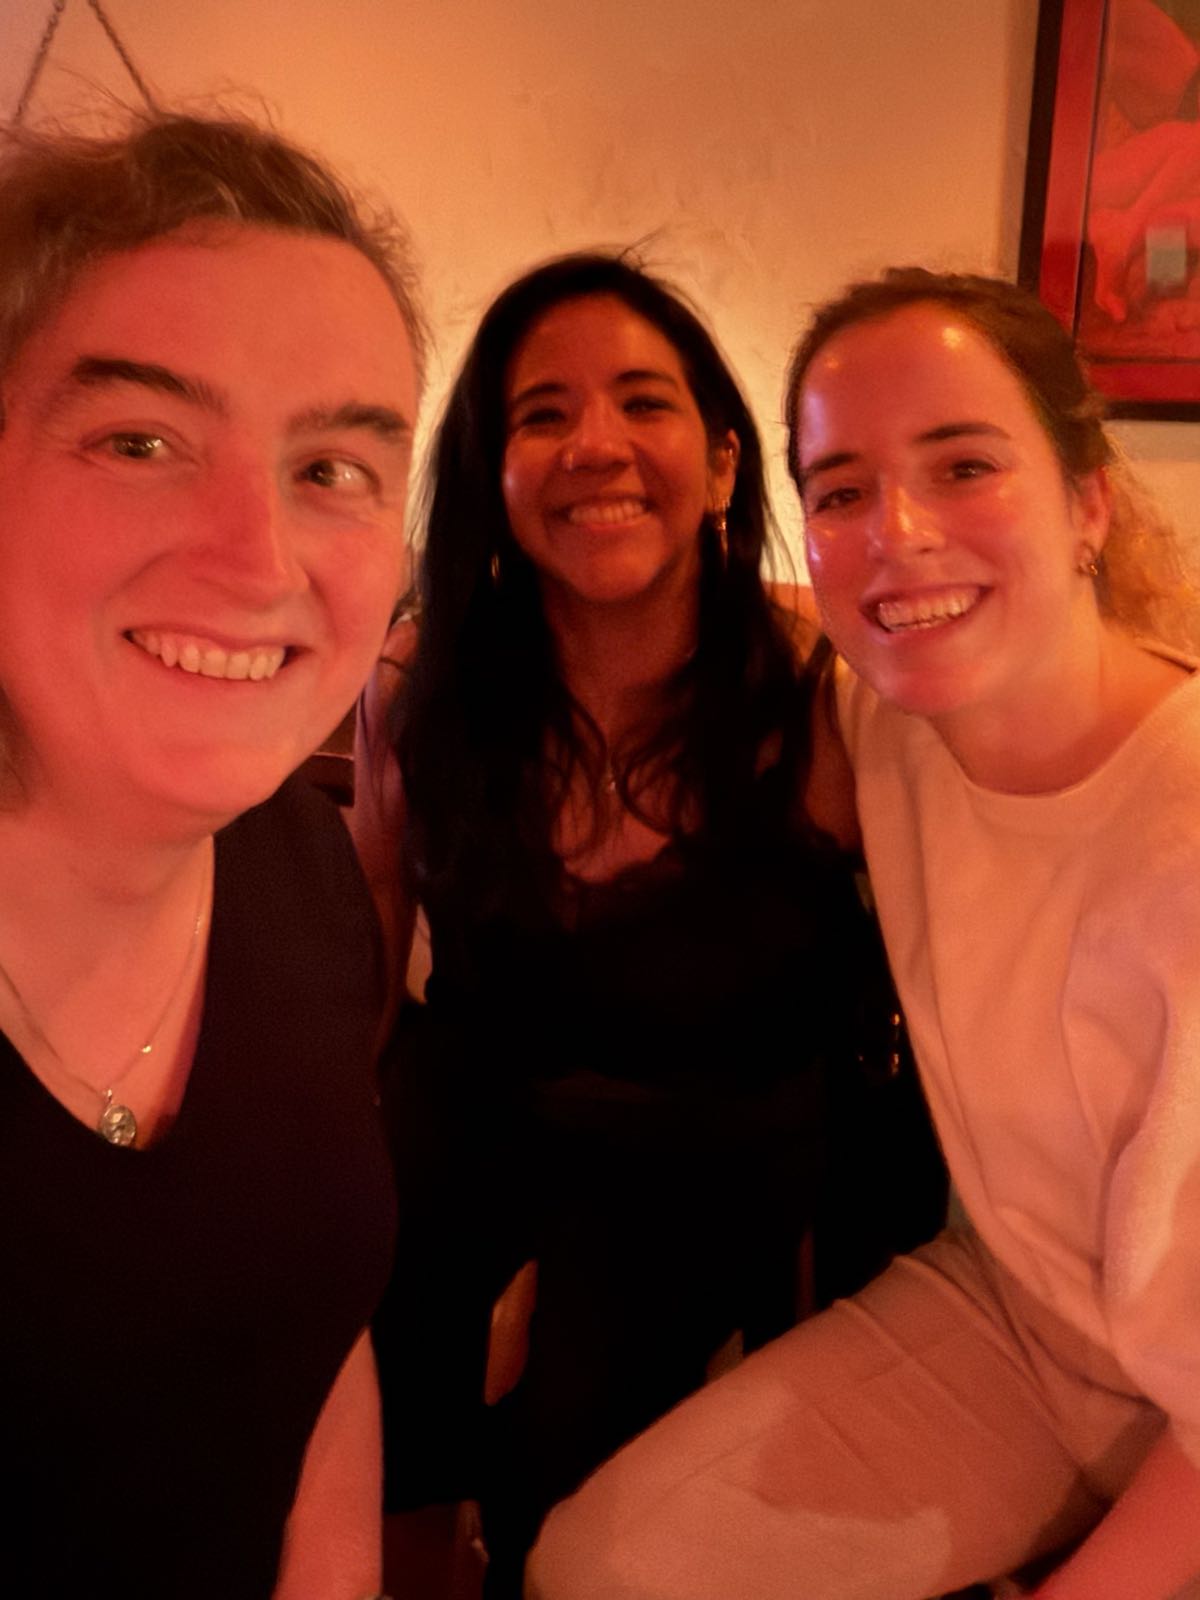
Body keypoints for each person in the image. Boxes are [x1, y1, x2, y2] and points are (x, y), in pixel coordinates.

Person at [525, 267, 1200, 1600]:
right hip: (1015, 1321)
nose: (896, 533)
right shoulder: (882, 720)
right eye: (840, 489)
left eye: (962, 466)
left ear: (1087, 503)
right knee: (595, 1569)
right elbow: (680, 645)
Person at [352, 253, 946, 1595]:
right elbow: (368, 960)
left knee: (581, 1505)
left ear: (727, 465)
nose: (594, 445)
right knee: (374, 1419)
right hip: (464, 1141)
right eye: (541, 413)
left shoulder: (832, 701)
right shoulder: (416, 683)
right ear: (493, 474)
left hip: (721, 1173)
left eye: (643, 402)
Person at [0, 109, 424, 1598]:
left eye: (335, 468)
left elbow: (306, 1325)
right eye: (139, 439)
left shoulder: (302, 883)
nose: (257, 559)